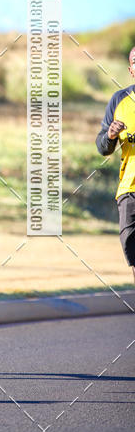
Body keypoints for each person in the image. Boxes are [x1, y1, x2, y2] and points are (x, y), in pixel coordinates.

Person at [96, 46, 135, 282]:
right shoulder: (119, 100)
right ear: (131, 70)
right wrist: (110, 135)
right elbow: (102, 147)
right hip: (129, 191)